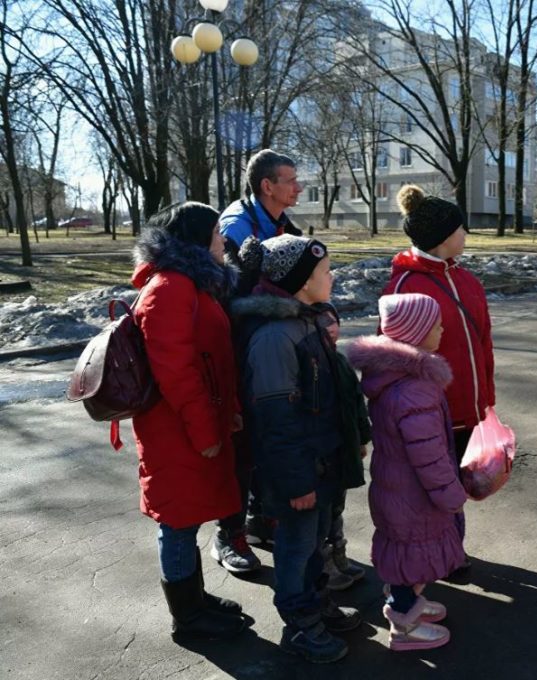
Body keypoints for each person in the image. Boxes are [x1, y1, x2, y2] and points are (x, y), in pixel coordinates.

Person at [232, 234, 362, 663]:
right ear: (300, 280)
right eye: (325, 271)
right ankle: (300, 625)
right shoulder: (274, 338)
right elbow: (275, 421)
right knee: (295, 546)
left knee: (315, 542)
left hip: (320, 462)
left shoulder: (305, 322)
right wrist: (296, 479)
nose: (332, 277)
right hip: (298, 470)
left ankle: (316, 605)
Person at [130, 202, 251, 640]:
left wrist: (229, 412)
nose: (224, 240)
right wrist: (205, 432)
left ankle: (195, 600)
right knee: (178, 524)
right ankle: (187, 617)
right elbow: (177, 373)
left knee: (189, 517)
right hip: (177, 431)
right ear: (197, 240)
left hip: (195, 425)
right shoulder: (170, 289)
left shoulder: (191, 284)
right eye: (217, 232)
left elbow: (213, 357)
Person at [381, 184, 494, 577]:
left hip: (470, 410)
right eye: (461, 229)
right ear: (444, 237)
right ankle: (444, 557)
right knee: (434, 489)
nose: (466, 234)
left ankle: (453, 549)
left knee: (457, 488)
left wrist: (487, 401)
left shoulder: (467, 281)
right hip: (429, 415)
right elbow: (392, 361)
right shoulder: (405, 287)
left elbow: (484, 346)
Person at [347, 293, 467, 652]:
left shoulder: (395, 377)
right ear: (416, 334)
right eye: (436, 324)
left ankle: (409, 602)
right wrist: (451, 494)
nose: (443, 328)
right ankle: (404, 624)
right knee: (411, 556)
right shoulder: (415, 392)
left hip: (396, 487)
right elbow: (428, 456)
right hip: (414, 493)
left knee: (409, 551)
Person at [210, 149, 304, 575]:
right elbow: (234, 297)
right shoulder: (235, 228)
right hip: (239, 348)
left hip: (267, 342)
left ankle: (260, 518)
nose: (297, 186)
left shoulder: (281, 222)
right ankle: (228, 535)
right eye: (290, 180)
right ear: (268, 186)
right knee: (244, 444)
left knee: (269, 435)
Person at [313, 303, 371, 592]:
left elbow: (357, 402)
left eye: (334, 320)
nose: (332, 326)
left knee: (337, 505)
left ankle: (339, 554)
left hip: (344, 447)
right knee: (323, 511)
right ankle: (325, 564)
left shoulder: (341, 361)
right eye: (324, 321)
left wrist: (361, 438)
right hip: (326, 450)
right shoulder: (313, 363)